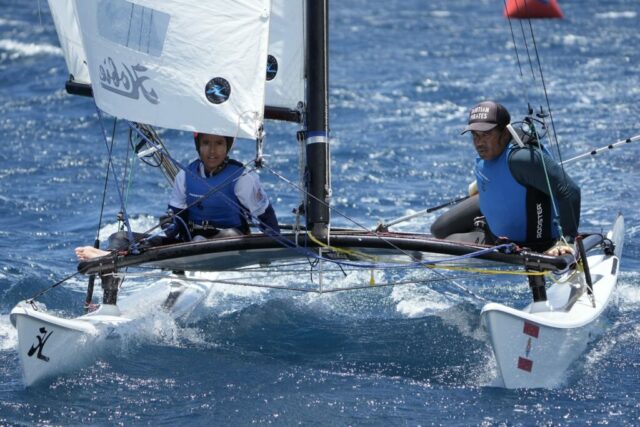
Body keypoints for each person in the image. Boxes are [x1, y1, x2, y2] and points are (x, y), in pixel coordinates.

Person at [75, 132, 280, 303]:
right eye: (206, 143)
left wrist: (272, 248)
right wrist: (170, 224)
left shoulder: (242, 178)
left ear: (228, 146)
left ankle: (116, 258)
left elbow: (265, 216)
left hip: (227, 245)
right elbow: (175, 225)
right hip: (190, 244)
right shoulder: (185, 176)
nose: (212, 150)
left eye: (219, 143)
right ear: (198, 146)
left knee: (227, 235)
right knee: (119, 237)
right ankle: (109, 276)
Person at [431, 101, 580, 255]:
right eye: (475, 135)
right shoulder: (491, 150)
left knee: (443, 247)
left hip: (525, 242)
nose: (479, 142)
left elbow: (570, 190)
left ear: (505, 133)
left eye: (486, 134)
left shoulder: (521, 159)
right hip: (494, 216)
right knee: (438, 229)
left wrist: (567, 240)